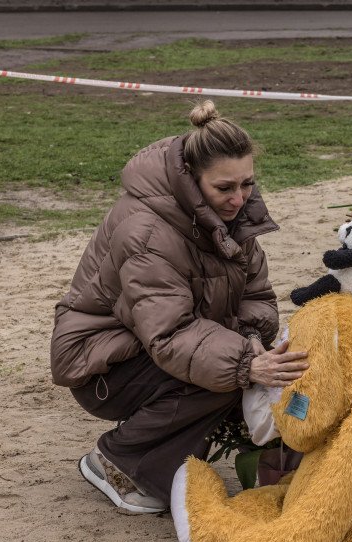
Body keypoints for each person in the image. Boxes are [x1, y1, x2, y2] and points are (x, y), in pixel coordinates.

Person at [50, 101, 308, 514]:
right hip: (99, 363)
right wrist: (245, 362)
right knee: (229, 373)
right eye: (224, 188)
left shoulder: (227, 216)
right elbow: (168, 334)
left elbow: (256, 297)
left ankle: (166, 458)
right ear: (190, 181)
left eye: (247, 184)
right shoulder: (148, 231)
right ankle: (116, 461)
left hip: (151, 347)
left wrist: (250, 342)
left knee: (246, 365)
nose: (239, 199)